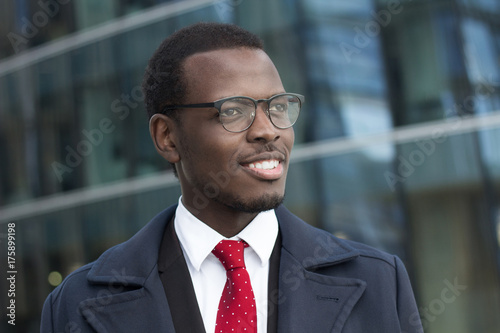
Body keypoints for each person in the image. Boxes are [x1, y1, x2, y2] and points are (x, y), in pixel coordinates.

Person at [41, 22, 423, 333]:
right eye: (234, 111)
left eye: (278, 107)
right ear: (167, 137)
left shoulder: (379, 281)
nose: (268, 130)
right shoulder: (74, 304)